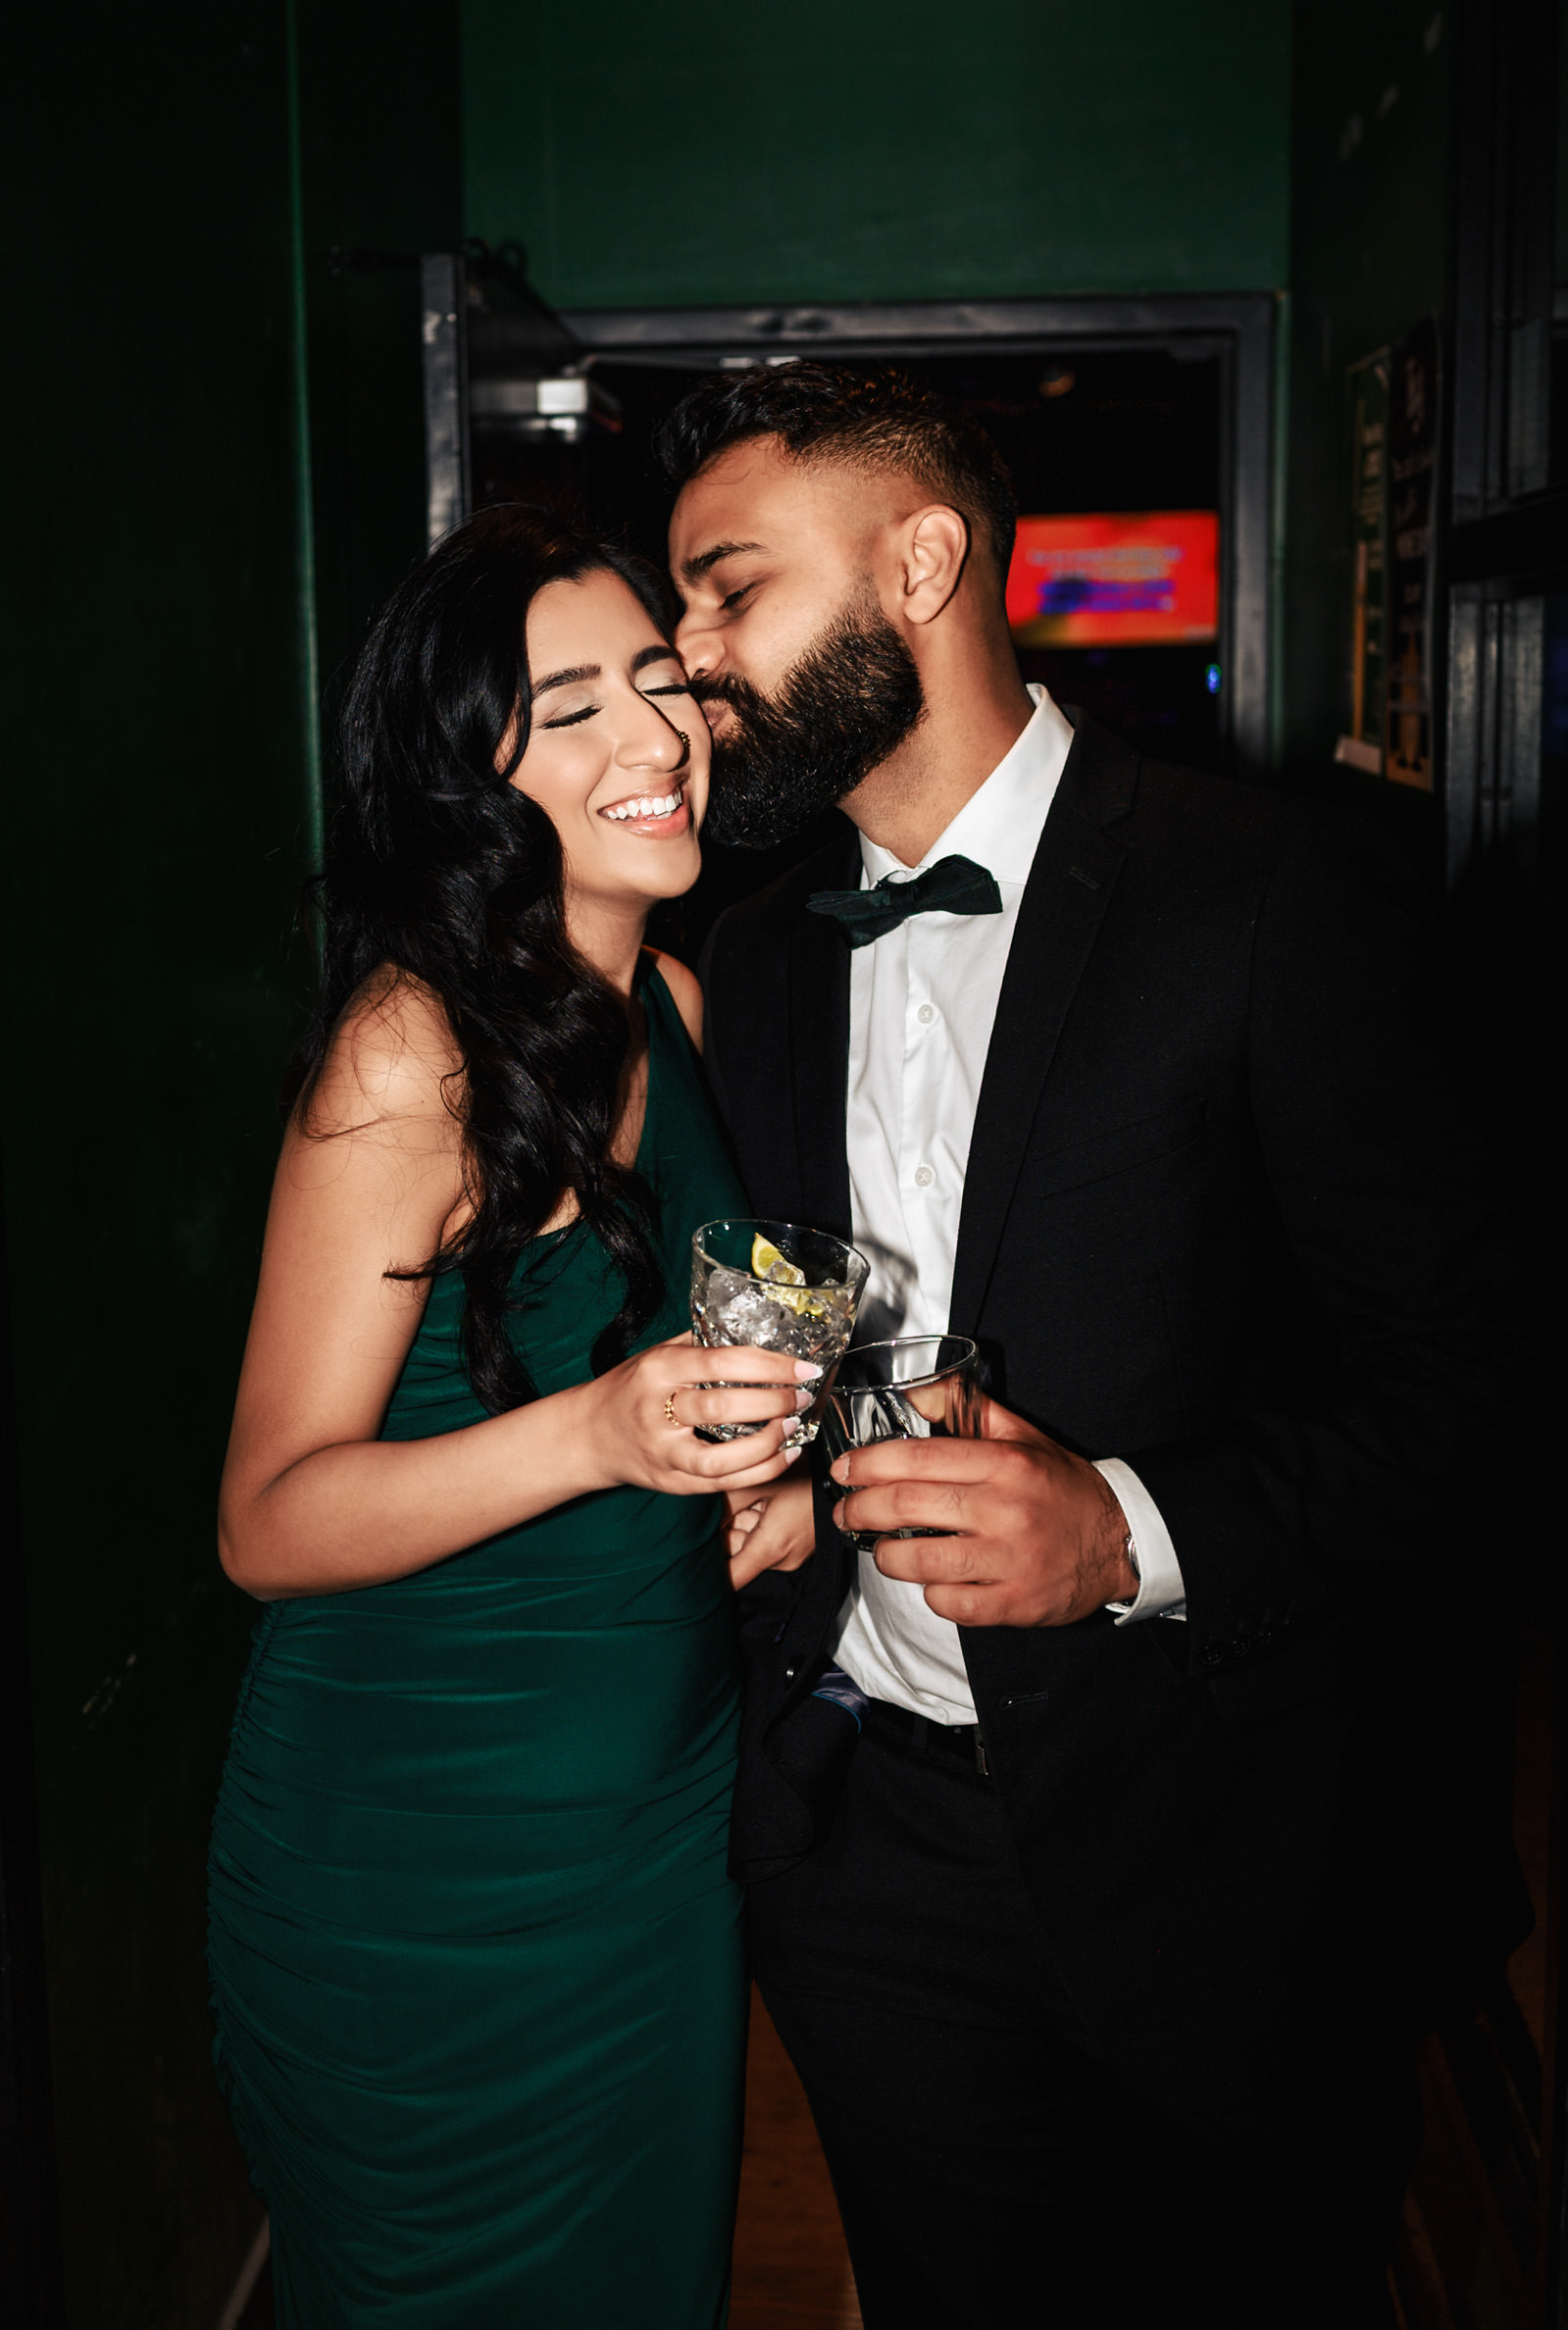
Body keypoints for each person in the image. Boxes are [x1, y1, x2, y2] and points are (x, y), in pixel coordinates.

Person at [657, 363, 1527, 2328]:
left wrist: (1125, 1531)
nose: (689, 658)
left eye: (725, 590)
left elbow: (1478, 1393)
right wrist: (771, 1479)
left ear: (923, 558)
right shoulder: (761, 953)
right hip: (862, 1861)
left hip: (1223, 1869)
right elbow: (784, 1305)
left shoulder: (1277, 896)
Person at [207, 505, 817, 2327]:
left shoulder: (681, 1002)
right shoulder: (414, 1052)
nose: (654, 736)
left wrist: (796, 1459)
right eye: (570, 709)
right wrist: (602, 1439)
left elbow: (718, 1306)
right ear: (467, 778)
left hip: (651, 1848)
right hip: (417, 1865)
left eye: (658, 678)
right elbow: (265, 1522)